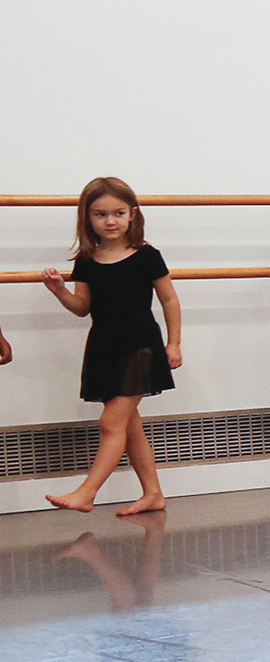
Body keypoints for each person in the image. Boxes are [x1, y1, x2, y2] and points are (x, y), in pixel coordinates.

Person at [41, 177, 178, 514]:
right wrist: (60, 291)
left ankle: (88, 492)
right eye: (100, 214)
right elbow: (82, 307)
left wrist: (173, 343)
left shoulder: (146, 256)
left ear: (132, 214)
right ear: (87, 218)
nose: (110, 221)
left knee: (110, 423)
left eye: (118, 213)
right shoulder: (86, 260)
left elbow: (169, 300)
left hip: (141, 346)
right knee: (130, 424)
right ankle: (153, 494)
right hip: (104, 347)